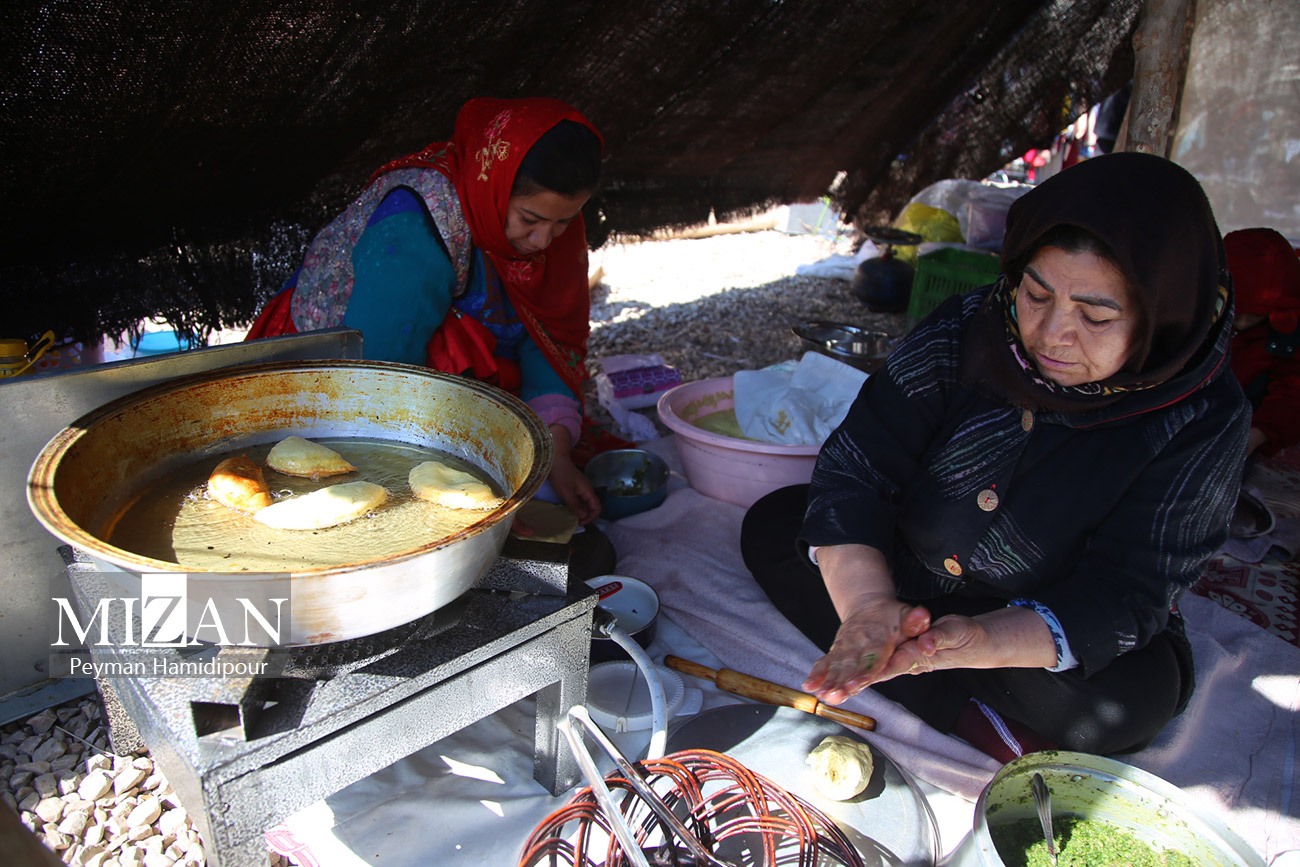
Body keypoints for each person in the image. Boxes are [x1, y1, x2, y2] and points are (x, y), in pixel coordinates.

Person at [741, 152, 1251, 759]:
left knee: (1125, 705)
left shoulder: (1203, 415)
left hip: (1031, 620)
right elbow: (860, 463)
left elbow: (1129, 588)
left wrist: (981, 641)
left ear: (1163, 315)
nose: (1051, 333)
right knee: (775, 523)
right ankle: (941, 686)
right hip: (909, 570)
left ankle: (933, 676)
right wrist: (869, 605)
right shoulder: (970, 327)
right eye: (1036, 294)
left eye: (1094, 315)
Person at [247, 97, 605, 527]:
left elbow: (546, 338)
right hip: (347, 373)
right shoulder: (414, 233)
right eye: (530, 219)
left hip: (427, 364)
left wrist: (556, 452)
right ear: (495, 185)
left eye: (563, 223)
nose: (544, 240)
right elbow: (381, 386)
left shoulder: (548, 218)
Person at [1224, 227, 1300, 457]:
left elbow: (1293, 393)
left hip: (1245, 428)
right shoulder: (1198, 319)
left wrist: (1258, 434)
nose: (1243, 322)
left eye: (1256, 313)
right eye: (1236, 311)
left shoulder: (1289, 333)